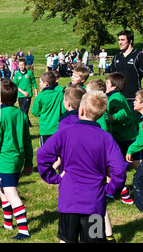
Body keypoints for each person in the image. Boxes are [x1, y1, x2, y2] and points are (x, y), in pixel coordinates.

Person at [37, 90, 128, 243]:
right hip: (94, 202)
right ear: (100, 115)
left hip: (69, 200)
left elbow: (42, 155)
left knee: (66, 239)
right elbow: (119, 169)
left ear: (81, 110)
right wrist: (112, 189)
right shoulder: (106, 138)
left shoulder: (65, 132)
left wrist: (53, 177)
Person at [0, 80, 33, 240]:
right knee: (3, 191)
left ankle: (24, 231)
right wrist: (28, 162)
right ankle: (7, 224)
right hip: (17, 159)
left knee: (11, 194)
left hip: (6, 160)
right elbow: (27, 141)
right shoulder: (21, 114)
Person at [106, 72, 139, 204]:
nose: (105, 85)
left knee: (115, 164)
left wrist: (112, 118)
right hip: (126, 134)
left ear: (114, 86)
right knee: (134, 161)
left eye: (107, 83)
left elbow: (124, 113)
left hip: (123, 136)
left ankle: (119, 190)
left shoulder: (116, 98)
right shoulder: (117, 96)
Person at [109, 30, 143, 110]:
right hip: (118, 98)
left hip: (134, 98)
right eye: (119, 40)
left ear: (130, 41)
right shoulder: (116, 58)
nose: (120, 42)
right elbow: (112, 78)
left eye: (122, 40)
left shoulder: (139, 56)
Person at [32, 72, 66, 146]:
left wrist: (41, 114)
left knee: (45, 151)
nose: (39, 84)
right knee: (57, 150)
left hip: (45, 129)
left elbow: (34, 112)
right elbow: (63, 110)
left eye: (40, 82)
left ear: (46, 83)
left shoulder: (40, 96)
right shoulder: (59, 94)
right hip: (57, 128)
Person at [13, 58, 37, 127]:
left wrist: (36, 92)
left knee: (24, 111)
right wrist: (22, 92)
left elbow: (34, 82)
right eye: (20, 65)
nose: (21, 67)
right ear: (18, 66)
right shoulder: (17, 74)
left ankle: (23, 125)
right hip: (20, 95)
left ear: (25, 65)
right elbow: (15, 85)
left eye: (23, 65)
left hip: (28, 94)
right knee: (22, 110)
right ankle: (28, 124)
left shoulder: (29, 73)